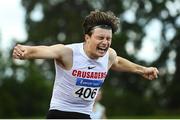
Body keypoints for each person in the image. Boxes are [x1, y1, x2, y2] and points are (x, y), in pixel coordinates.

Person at [12, 10, 159, 119]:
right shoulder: (68, 53)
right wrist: (26, 51)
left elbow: (118, 62)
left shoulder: (109, 56)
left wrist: (143, 70)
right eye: (100, 37)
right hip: (60, 113)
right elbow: (47, 50)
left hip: (84, 114)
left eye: (109, 38)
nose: (105, 42)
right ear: (87, 37)